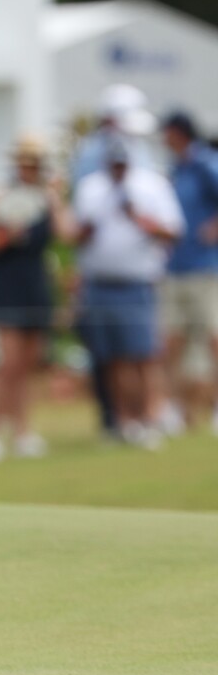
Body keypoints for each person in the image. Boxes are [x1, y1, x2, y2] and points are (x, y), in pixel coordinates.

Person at [70, 141, 183, 450]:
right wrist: (86, 230)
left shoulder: (151, 187)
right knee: (113, 358)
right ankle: (125, 422)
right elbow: (74, 236)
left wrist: (139, 218)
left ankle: (152, 418)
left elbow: (173, 231)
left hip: (138, 282)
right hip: (100, 283)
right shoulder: (90, 189)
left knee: (144, 355)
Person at [70, 85, 159, 437]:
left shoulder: (141, 154)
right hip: (99, 277)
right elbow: (83, 224)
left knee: (140, 353)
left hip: (137, 275)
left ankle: (141, 418)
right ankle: (116, 419)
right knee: (108, 354)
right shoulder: (91, 161)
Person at [0, 135, 68, 462]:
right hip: (7, 289)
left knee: (29, 366)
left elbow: (65, 233)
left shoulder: (45, 200)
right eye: (24, 162)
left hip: (35, 287)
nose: (29, 168)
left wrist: (55, 199)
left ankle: (22, 431)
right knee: (8, 365)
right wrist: (9, 234)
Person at [155, 111, 218, 436]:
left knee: (213, 338)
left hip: (206, 268)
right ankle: (176, 410)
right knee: (172, 341)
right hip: (175, 268)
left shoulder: (205, 163)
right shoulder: (174, 169)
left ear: (178, 132)